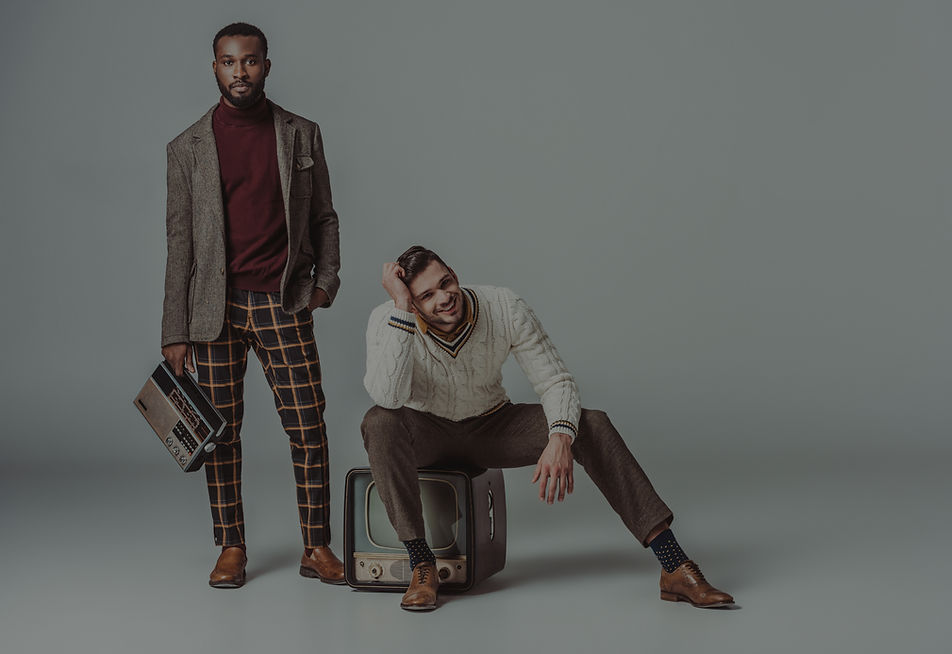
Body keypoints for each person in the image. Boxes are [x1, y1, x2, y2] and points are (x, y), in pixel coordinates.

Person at [361, 246, 735, 611]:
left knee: (592, 424)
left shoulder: (503, 305)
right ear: (412, 302)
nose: (444, 298)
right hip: (427, 431)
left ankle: (674, 565)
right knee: (378, 421)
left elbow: (556, 380)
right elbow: (388, 397)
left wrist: (560, 437)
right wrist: (401, 310)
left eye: (446, 282)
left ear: (454, 275)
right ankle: (422, 564)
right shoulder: (389, 318)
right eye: (427, 295)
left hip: (491, 425)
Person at [161, 22, 344, 588]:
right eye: (228, 61)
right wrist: (174, 330)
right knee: (221, 432)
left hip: (283, 301)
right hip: (212, 311)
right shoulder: (186, 148)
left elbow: (325, 217)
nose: (239, 72)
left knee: (308, 424)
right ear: (214, 67)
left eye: (249, 60)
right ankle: (232, 546)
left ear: (267, 64)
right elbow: (179, 244)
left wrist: (324, 283)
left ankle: (316, 545)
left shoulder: (301, 134)